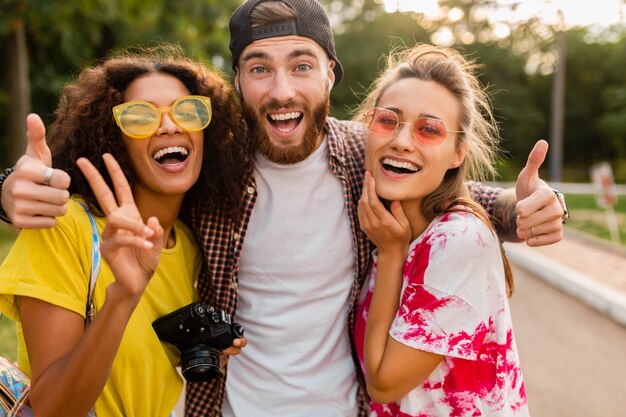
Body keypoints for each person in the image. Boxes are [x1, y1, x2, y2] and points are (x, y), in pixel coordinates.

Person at [0, 1, 568, 416]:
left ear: (330, 76)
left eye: (301, 65)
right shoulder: (206, 166)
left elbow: (434, 188)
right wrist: (7, 190)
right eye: (258, 68)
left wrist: (527, 209)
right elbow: (103, 178)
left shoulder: (362, 159)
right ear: (237, 83)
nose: (280, 90)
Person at [0, 45, 247, 416]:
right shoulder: (64, 228)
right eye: (139, 117)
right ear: (114, 138)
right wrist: (122, 297)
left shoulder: (193, 245)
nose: (169, 125)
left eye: (187, 112)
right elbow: (53, 408)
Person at [354, 43, 529, 416]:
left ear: (457, 153)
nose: (401, 141)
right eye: (388, 120)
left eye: (428, 130)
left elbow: (383, 384)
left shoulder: (458, 240)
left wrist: (390, 254)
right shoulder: (387, 226)